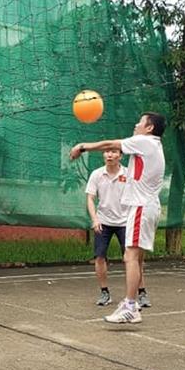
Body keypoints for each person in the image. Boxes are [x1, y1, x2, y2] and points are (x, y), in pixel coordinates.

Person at [70, 112, 166, 324]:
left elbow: (110, 144)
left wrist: (82, 146)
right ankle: (131, 304)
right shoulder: (153, 146)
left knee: (130, 256)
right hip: (145, 207)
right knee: (133, 257)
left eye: (140, 122)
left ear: (149, 128)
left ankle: (130, 306)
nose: (136, 124)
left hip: (141, 207)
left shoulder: (145, 141)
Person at [84, 148, 151, 308]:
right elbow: (90, 199)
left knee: (133, 259)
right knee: (99, 257)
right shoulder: (97, 174)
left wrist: (137, 219)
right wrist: (95, 219)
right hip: (103, 222)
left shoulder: (128, 174)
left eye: (114, 152)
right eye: (107, 152)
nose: (109, 155)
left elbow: (139, 196)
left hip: (126, 222)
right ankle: (104, 292)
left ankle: (141, 293)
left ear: (120, 156)